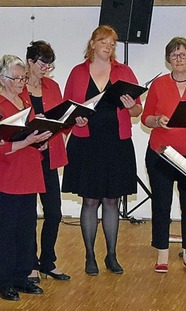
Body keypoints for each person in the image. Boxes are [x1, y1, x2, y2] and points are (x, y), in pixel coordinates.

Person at [62, 25, 142, 276]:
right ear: (93, 44)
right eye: (104, 42)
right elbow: (67, 110)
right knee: (90, 200)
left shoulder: (124, 71)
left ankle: (112, 254)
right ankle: (89, 255)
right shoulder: (77, 72)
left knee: (112, 199)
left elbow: (138, 110)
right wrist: (76, 119)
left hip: (116, 143)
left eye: (112, 44)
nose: (108, 47)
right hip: (86, 143)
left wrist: (130, 106)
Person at [141, 36, 186, 273]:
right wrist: (158, 120)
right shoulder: (159, 85)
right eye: (174, 55)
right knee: (161, 203)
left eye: (182, 54)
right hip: (161, 153)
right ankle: (162, 253)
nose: (178, 59)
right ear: (168, 60)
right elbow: (145, 118)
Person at [0, 54, 52, 301]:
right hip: (7, 176)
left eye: (24, 77)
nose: (22, 82)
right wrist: (27, 142)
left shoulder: (24, 102)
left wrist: (39, 142)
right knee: (7, 231)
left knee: (27, 228)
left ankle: (23, 276)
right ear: (2, 79)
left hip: (27, 173)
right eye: (17, 78)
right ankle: (5, 280)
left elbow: (30, 132)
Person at [24, 41, 71, 282]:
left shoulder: (53, 87)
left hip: (49, 154)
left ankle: (48, 261)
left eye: (50, 65)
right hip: (27, 157)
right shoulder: (19, 88)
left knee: (54, 212)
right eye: (43, 64)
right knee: (29, 214)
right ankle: (30, 263)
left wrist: (72, 122)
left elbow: (61, 119)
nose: (46, 69)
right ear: (30, 62)